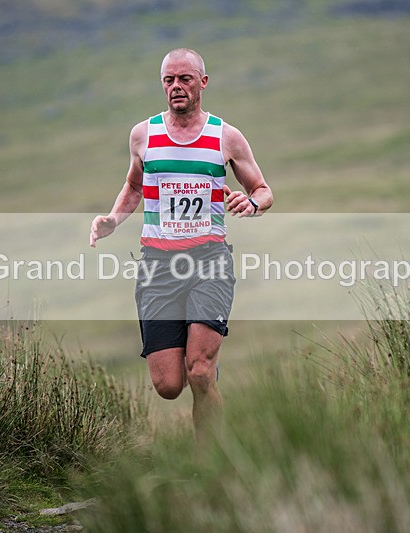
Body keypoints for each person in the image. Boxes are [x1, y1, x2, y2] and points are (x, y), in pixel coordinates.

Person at [89, 48, 273, 444]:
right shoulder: (144, 134)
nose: (176, 87)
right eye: (169, 80)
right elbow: (135, 186)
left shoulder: (225, 136)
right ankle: (200, 369)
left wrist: (252, 202)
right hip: (158, 267)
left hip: (209, 262)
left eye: (185, 79)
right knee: (169, 384)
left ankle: (213, 462)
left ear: (202, 83)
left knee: (200, 372)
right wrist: (111, 220)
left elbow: (262, 189)